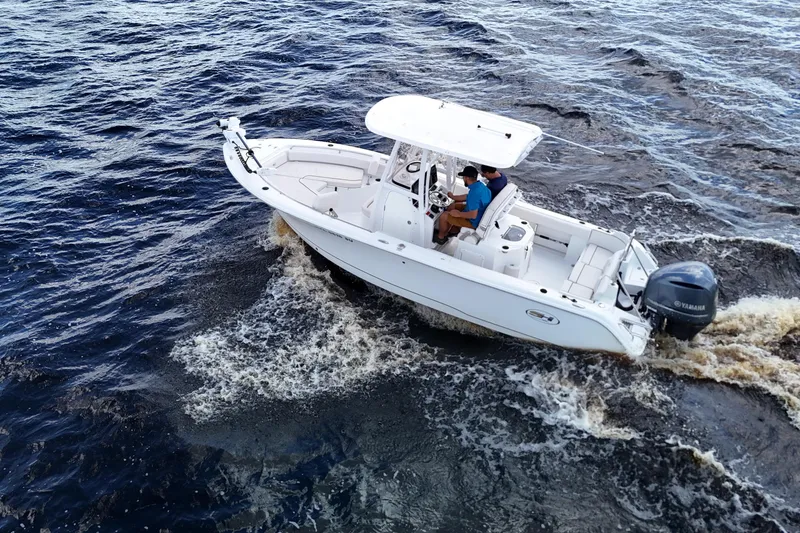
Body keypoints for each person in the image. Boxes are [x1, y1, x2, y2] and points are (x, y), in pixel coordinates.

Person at [434, 166, 491, 244]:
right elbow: (468, 196)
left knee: (444, 216)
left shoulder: (475, 193)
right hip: (477, 212)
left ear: (467, 178)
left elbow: (473, 215)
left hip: (473, 222)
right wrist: (453, 197)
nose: (463, 179)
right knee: (452, 206)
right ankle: (447, 231)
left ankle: (440, 238)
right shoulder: (480, 186)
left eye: (463, 177)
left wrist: (458, 214)